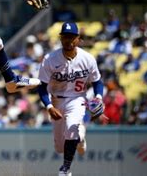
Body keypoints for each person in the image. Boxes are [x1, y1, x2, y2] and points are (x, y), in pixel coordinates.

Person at [37, 22, 106, 176]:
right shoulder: (50, 59)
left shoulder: (87, 58)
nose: (68, 40)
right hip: (56, 101)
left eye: (71, 37)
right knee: (60, 148)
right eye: (65, 37)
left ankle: (66, 168)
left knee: (71, 129)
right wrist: (48, 106)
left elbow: (97, 81)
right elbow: (41, 86)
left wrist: (99, 98)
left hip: (77, 99)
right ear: (61, 39)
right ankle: (80, 137)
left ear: (78, 39)